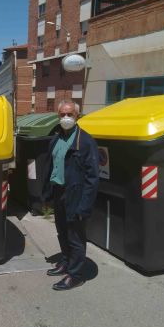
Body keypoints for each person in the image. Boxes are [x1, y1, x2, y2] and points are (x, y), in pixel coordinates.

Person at [42, 100, 99, 291]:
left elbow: (93, 178)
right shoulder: (56, 139)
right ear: (58, 117)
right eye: (62, 115)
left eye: (70, 114)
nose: (66, 118)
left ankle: (75, 275)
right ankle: (66, 262)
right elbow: (51, 167)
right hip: (59, 193)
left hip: (76, 195)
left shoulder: (85, 141)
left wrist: (85, 206)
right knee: (62, 231)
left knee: (75, 237)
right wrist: (47, 194)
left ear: (77, 116)